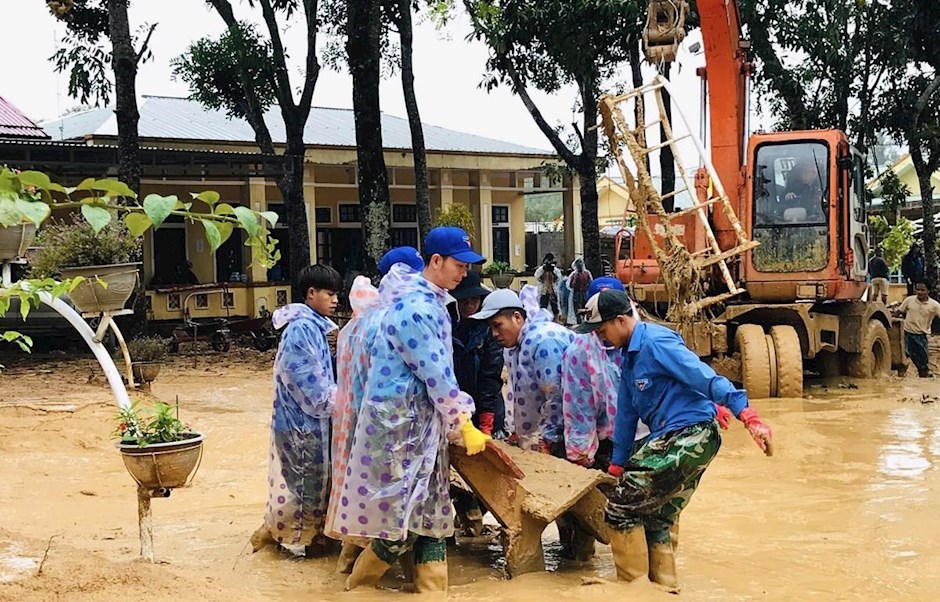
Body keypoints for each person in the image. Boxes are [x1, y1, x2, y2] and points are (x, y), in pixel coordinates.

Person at [579, 290, 773, 592]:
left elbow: (702, 376)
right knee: (658, 515)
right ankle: (665, 587)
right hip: (675, 436)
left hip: (689, 435)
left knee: (620, 507)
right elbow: (626, 415)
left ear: (620, 320)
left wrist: (746, 414)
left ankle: (632, 588)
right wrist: (617, 465)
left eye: (602, 330)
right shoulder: (628, 358)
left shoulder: (656, 342)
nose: (600, 337)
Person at [342, 227, 491, 593]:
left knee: (433, 518)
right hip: (400, 433)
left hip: (423, 429)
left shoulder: (433, 304)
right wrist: (463, 420)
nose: (464, 274)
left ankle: (432, 592)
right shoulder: (416, 309)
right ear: (436, 261)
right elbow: (436, 373)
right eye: (459, 265)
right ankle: (354, 590)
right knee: (401, 526)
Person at [328, 247, 426, 573]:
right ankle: (393, 576)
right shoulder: (392, 322)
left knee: (361, 495)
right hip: (385, 426)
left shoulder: (356, 325)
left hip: (354, 425)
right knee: (393, 505)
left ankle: (347, 566)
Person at [250, 264, 344, 556]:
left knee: (311, 490)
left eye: (337, 294)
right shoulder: (302, 330)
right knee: (306, 490)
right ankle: (277, 538)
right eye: (329, 294)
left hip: (307, 426)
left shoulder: (314, 327)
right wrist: (345, 403)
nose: (335, 300)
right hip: (299, 428)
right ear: (311, 293)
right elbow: (311, 387)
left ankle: (285, 538)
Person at [470, 284, 574, 453]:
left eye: (497, 325)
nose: (494, 334)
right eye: (491, 328)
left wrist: (548, 439)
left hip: (567, 432)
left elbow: (556, 394)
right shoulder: (520, 345)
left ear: (517, 318)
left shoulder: (542, 341)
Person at [451, 270, 505, 437]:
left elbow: (491, 374)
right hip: (454, 408)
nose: (469, 305)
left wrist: (486, 419)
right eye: (464, 300)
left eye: (474, 299)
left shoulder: (489, 330)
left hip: (486, 408)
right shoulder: (446, 327)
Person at [894, 282, 940, 378]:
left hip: (921, 336)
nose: (919, 292)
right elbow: (898, 312)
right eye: (917, 289)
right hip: (906, 334)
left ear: (928, 291)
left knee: (923, 363)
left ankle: (924, 380)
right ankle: (901, 379)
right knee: (902, 359)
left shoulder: (934, 305)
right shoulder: (909, 300)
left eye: (922, 290)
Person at [567, 257, 593, 322]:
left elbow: (570, 285)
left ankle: (581, 321)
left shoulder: (577, 274)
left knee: (580, 308)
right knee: (581, 308)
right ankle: (582, 321)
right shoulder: (584, 273)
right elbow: (591, 283)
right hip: (581, 293)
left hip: (580, 293)